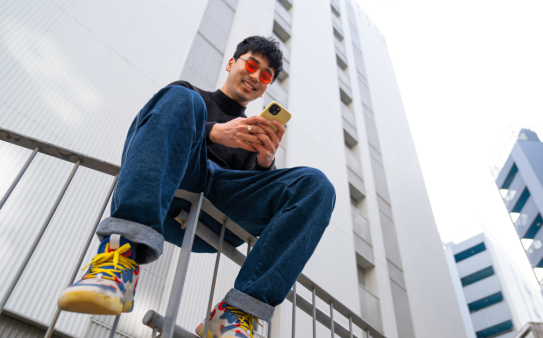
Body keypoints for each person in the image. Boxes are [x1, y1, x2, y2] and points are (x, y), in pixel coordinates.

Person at [57, 36, 336, 338]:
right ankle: (120, 259)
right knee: (179, 96)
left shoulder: (254, 134)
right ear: (232, 63)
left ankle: (237, 313)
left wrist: (266, 162)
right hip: (175, 189)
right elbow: (152, 133)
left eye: (265, 75)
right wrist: (214, 133)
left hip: (222, 213)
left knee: (318, 185)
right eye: (251, 65)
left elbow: (264, 207)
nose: (256, 76)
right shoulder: (191, 98)